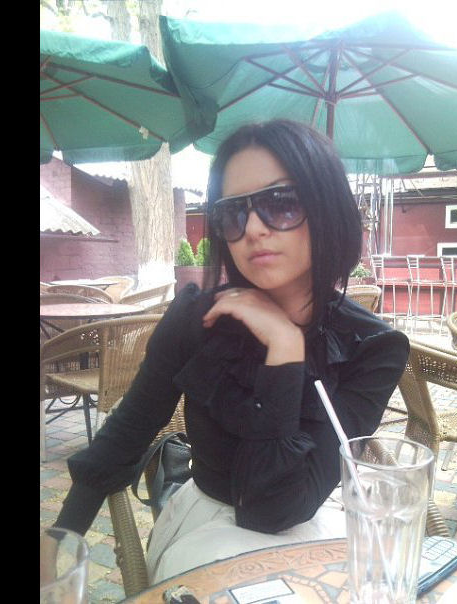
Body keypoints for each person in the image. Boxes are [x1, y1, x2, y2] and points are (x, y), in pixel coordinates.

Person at [51, 119, 410, 583]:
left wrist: (285, 347)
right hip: (206, 530)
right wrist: (58, 545)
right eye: (233, 214)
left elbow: (278, 508)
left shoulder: (374, 348)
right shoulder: (197, 319)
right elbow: (125, 435)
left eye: (281, 203)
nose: (254, 229)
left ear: (327, 208)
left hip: (308, 524)